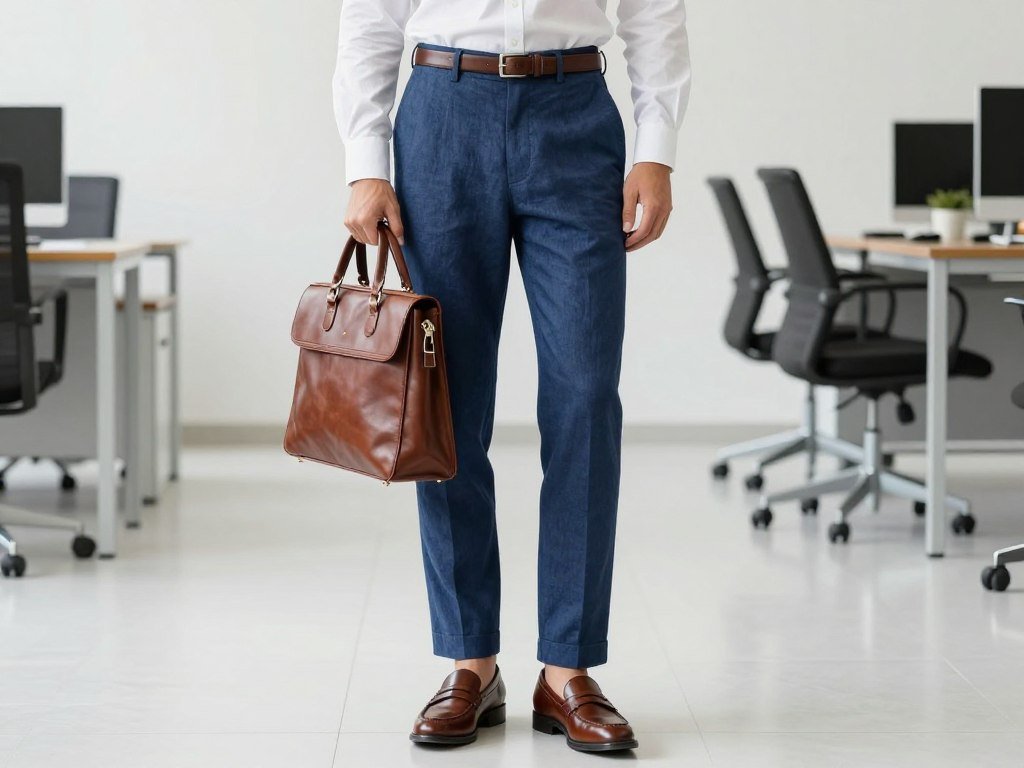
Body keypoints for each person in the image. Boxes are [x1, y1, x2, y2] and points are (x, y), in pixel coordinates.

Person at [333, 0, 690, 754]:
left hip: (575, 118)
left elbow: (655, 13)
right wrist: (367, 165)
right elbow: (371, 19)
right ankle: (471, 662)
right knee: (447, 408)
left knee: (587, 399)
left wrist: (655, 152)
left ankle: (567, 672)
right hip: (441, 115)